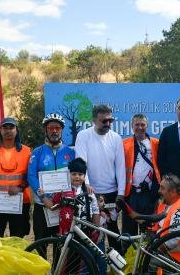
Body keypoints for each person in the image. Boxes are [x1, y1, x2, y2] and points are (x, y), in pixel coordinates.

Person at [39, 157, 105, 274]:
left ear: (85, 176)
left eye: (80, 174)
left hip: (85, 233)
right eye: (74, 174)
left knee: (83, 263)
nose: (77, 177)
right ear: (68, 175)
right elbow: (53, 207)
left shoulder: (89, 193)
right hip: (66, 234)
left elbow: (95, 211)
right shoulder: (62, 191)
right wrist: (43, 196)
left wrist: (96, 229)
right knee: (66, 262)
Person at [75, 104, 125, 251]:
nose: (108, 124)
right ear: (94, 120)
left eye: (111, 120)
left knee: (113, 230)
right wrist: (88, 187)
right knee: (91, 231)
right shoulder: (83, 136)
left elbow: (120, 167)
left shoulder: (116, 138)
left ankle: (118, 268)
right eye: (104, 121)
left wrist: (121, 193)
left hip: (111, 193)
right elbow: (81, 164)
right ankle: (94, 266)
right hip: (90, 193)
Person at [27, 113, 78, 239]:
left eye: (57, 128)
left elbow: (77, 175)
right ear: (46, 130)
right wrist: (44, 198)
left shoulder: (71, 152)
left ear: (61, 130)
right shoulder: (37, 152)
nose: (54, 131)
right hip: (42, 204)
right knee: (41, 241)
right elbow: (31, 176)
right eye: (51, 128)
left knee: (61, 243)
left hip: (64, 204)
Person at [0, 117, 31, 238]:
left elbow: (30, 176)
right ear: (0, 130)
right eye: (5, 128)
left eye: (11, 127)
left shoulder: (26, 151)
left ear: (17, 130)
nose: (8, 131)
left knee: (17, 239)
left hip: (19, 203)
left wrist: (19, 188)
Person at [121, 113, 160, 241]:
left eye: (142, 124)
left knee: (149, 230)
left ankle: (148, 258)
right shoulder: (124, 143)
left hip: (149, 195)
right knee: (129, 231)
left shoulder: (156, 143)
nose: (140, 127)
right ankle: (128, 257)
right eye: (137, 124)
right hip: (131, 194)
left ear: (147, 126)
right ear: (132, 126)